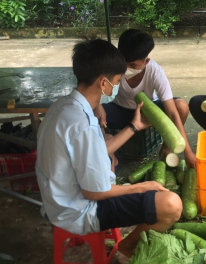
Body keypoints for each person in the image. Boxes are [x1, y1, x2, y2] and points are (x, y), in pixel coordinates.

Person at [35, 39, 182, 262]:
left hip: (59, 200)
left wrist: (134, 126)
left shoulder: (63, 107)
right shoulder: (82, 124)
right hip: (80, 209)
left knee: (112, 151)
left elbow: (97, 151)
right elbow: (94, 193)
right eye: (116, 81)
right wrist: (141, 187)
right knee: (171, 204)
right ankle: (126, 248)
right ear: (103, 84)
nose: (117, 85)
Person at [94, 29, 196, 168]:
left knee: (181, 106)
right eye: (124, 62)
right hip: (119, 110)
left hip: (145, 113)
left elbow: (172, 112)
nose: (125, 68)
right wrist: (98, 106)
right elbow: (92, 92)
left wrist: (188, 152)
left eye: (132, 65)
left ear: (146, 61)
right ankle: (109, 153)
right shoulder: (112, 66)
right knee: (92, 113)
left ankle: (165, 149)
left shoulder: (155, 71)